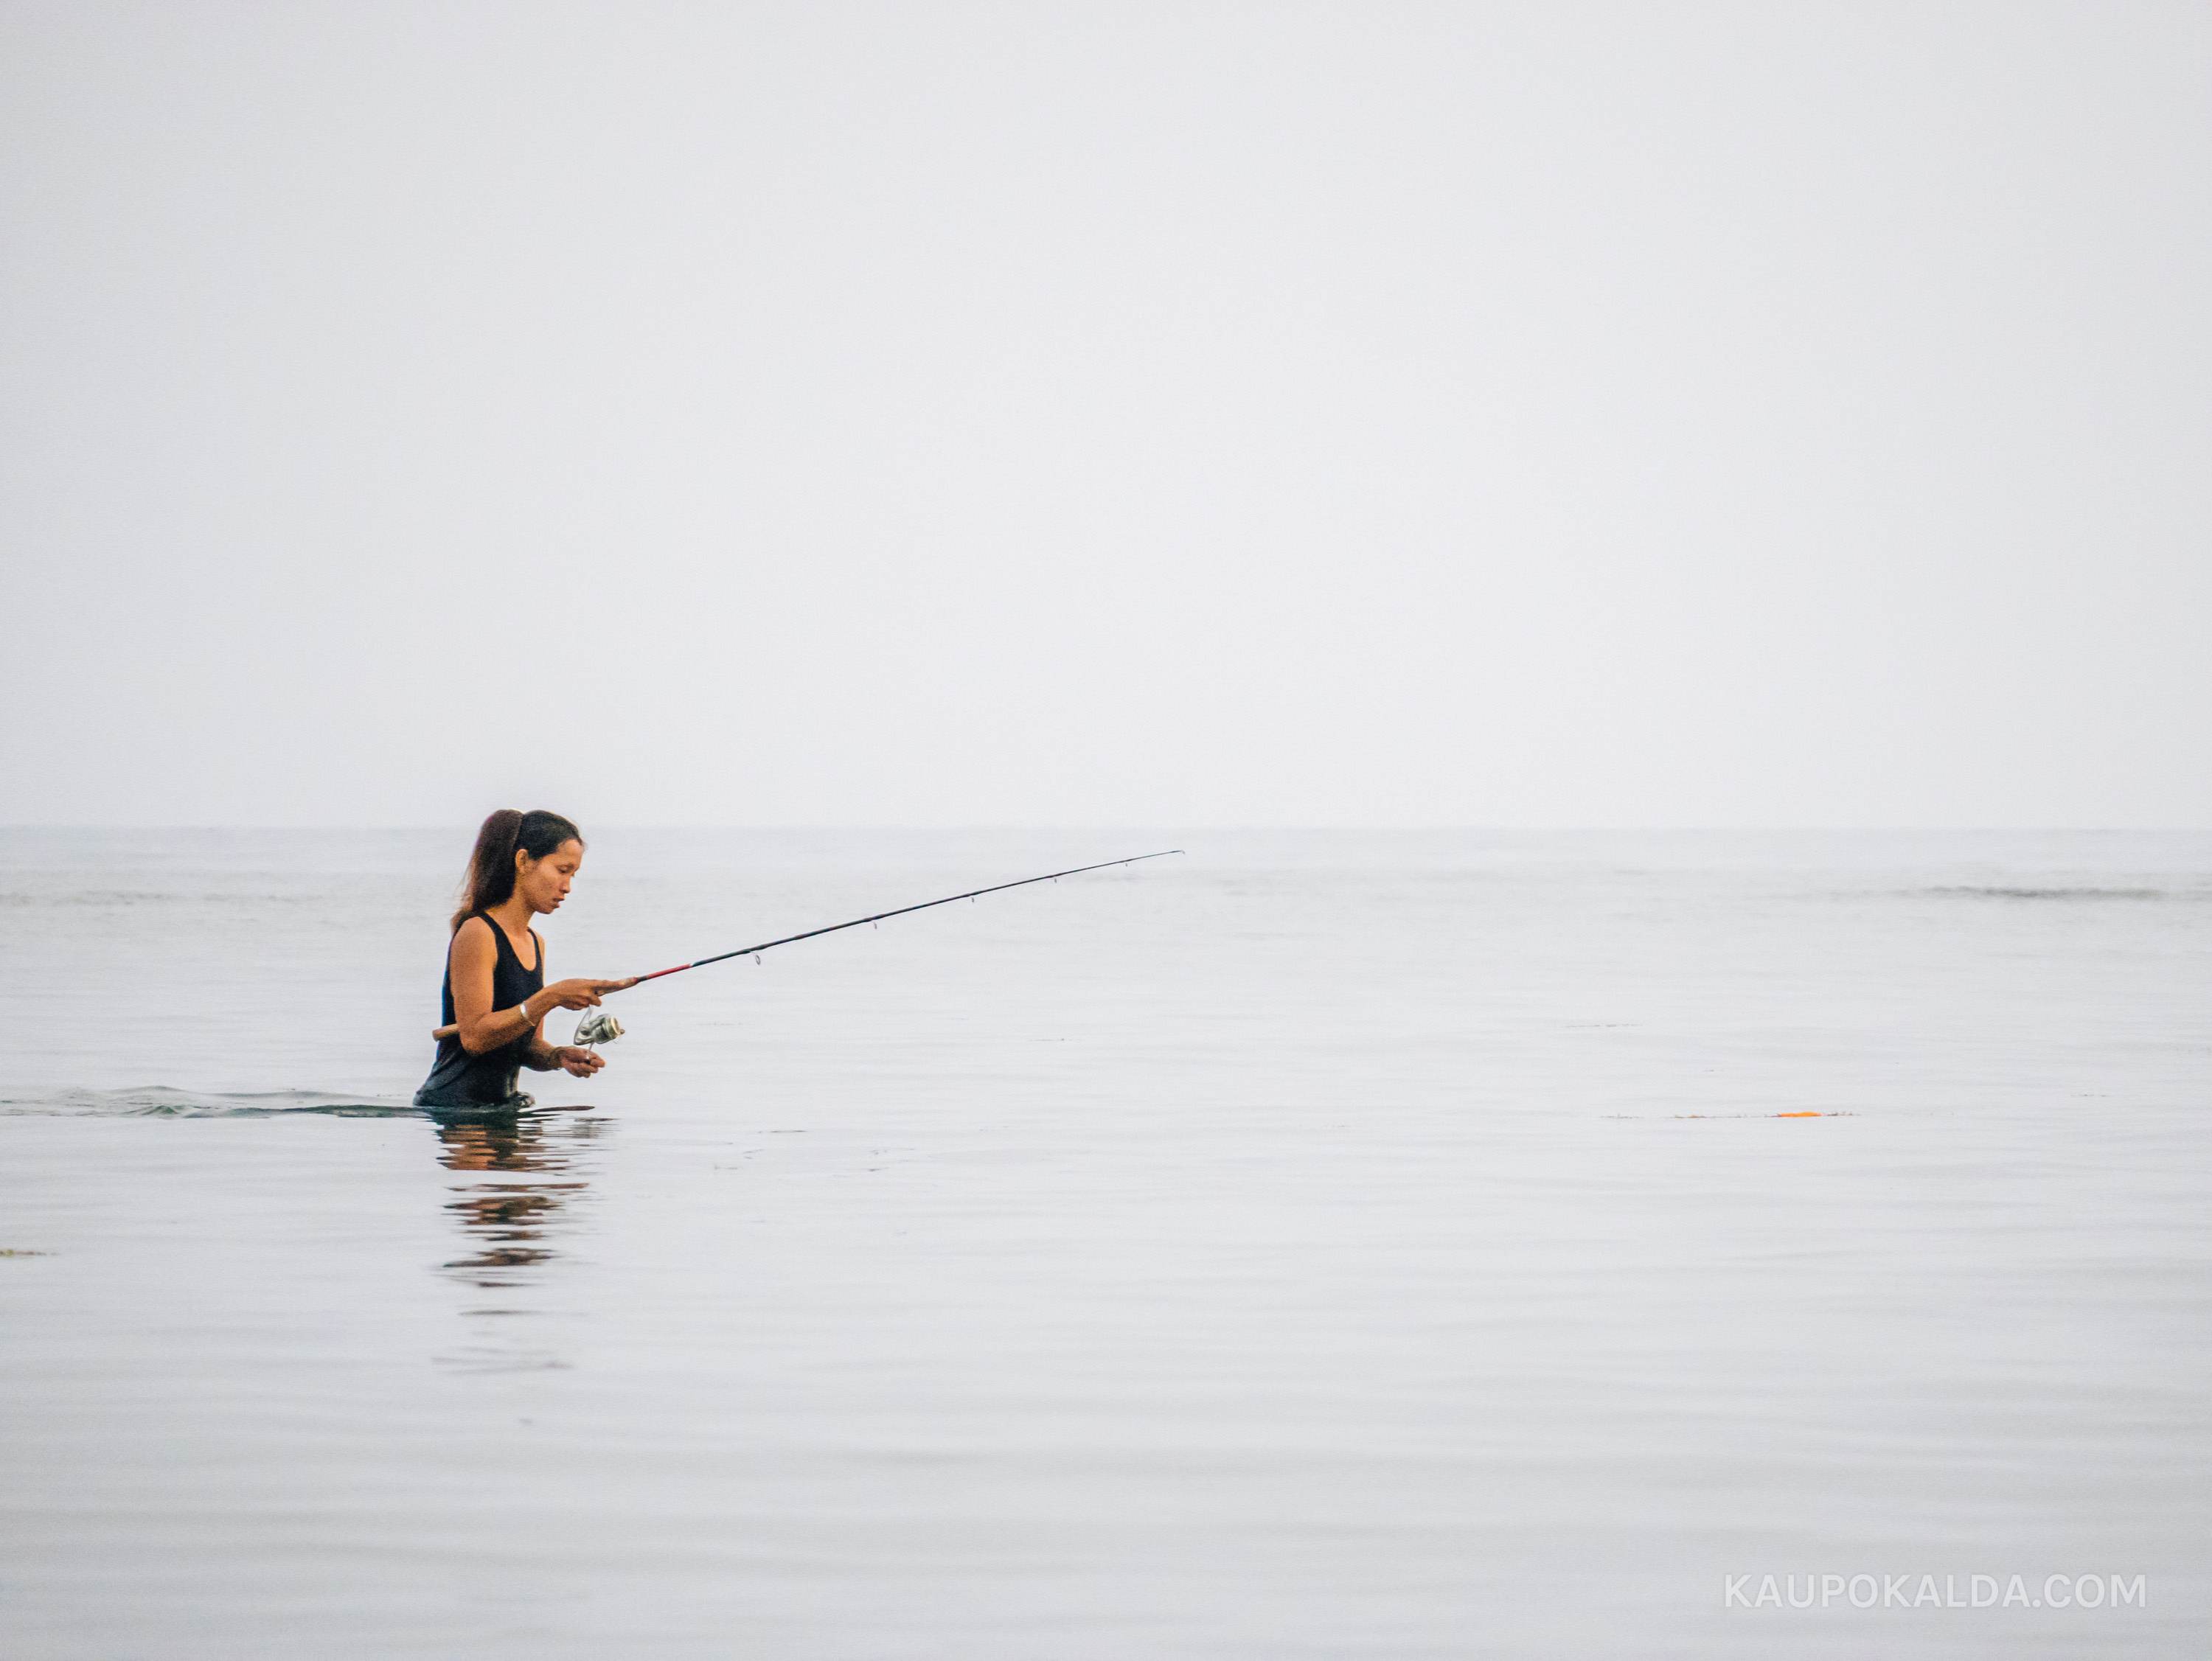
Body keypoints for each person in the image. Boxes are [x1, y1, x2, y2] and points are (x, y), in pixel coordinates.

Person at [414, 809, 636, 1112]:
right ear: (522, 862)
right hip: (455, 1109)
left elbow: (527, 1046)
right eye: (562, 870)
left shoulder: (535, 942)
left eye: (573, 874)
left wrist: (556, 1056)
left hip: (502, 1107)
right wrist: (552, 996)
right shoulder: (478, 932)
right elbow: (476, 1039)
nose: (568, 886)